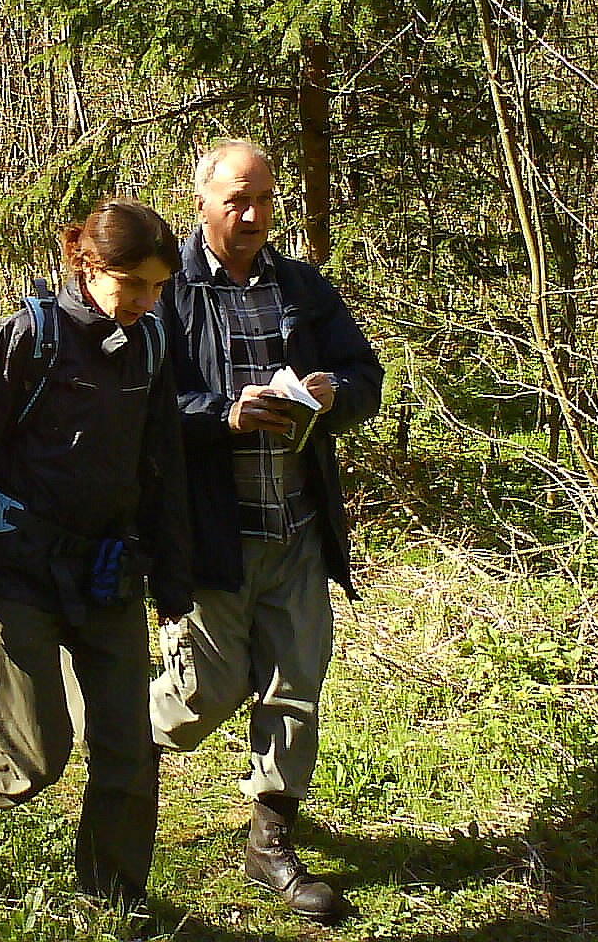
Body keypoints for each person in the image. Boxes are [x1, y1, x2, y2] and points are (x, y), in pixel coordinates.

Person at [0, 198, 192, 906]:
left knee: (129, 752)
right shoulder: (26, 339)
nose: (145, 300)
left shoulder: (154, 344)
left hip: (109, 575)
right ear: (89, 265)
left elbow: (161, 465)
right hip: (19, 573)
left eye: (158, 286)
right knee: (34, 756)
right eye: (133, 284)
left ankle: (112, 897)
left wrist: (174, 579)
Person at [146, 140, 383, 924]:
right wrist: (223, 413)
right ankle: (126, 736)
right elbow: (145, 406)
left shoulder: (301, 287)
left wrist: (333, 394)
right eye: (236, 200)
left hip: (298, 527)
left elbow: (365, 376)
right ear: (203, 201)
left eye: (263, 201)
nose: (251, 216)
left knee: (295, 689)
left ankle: (270, 841)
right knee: (202, 696)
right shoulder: (168, 291)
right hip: (216, 534)